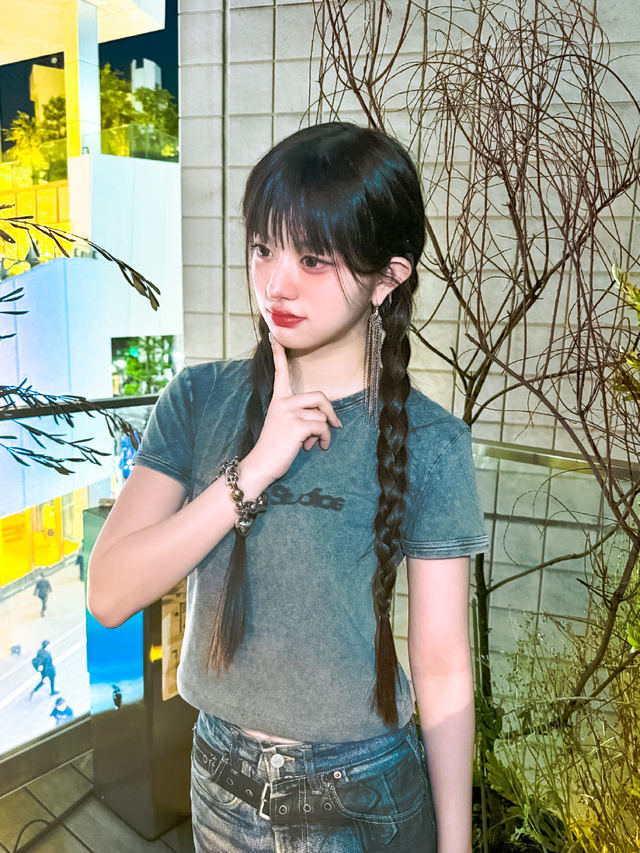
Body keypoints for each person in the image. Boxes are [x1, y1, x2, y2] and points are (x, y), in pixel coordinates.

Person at [88, 123, 488, 853]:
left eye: (313, 259)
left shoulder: (431, 441)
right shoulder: (200, 399)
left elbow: (442, 663)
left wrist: (456, 845)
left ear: (388, 277)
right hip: (220, 777)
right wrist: (251, 472)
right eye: (263, 249)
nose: (277, 283)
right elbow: (109, 593)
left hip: (361, 792)